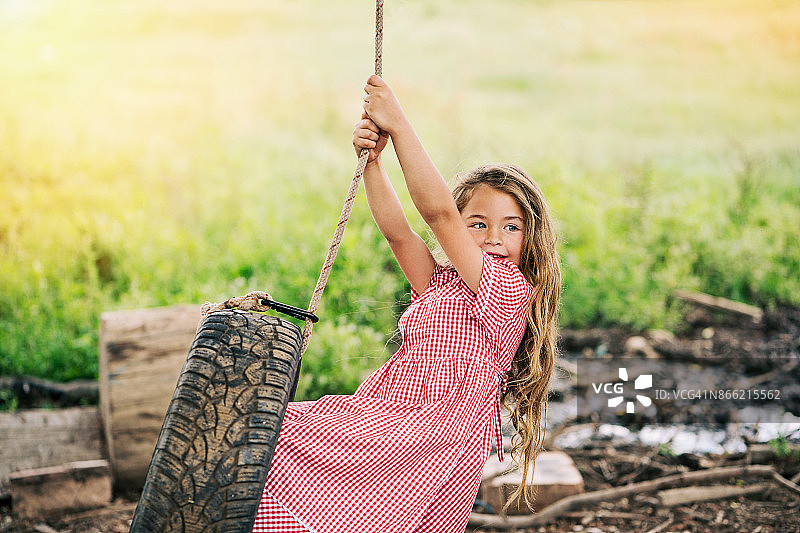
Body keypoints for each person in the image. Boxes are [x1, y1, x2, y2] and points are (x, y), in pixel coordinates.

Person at [252, 75, 561, 533]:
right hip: (386, 413)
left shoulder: (508, 288)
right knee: (278, 434)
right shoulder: (440, 283)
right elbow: (399, 232)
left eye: (511, 227)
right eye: (477, 224)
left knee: (296, 460)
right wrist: (372, 163)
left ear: (530, 239)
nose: (494, 237)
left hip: (429, 437)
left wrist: (398, 124)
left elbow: (436, 213)